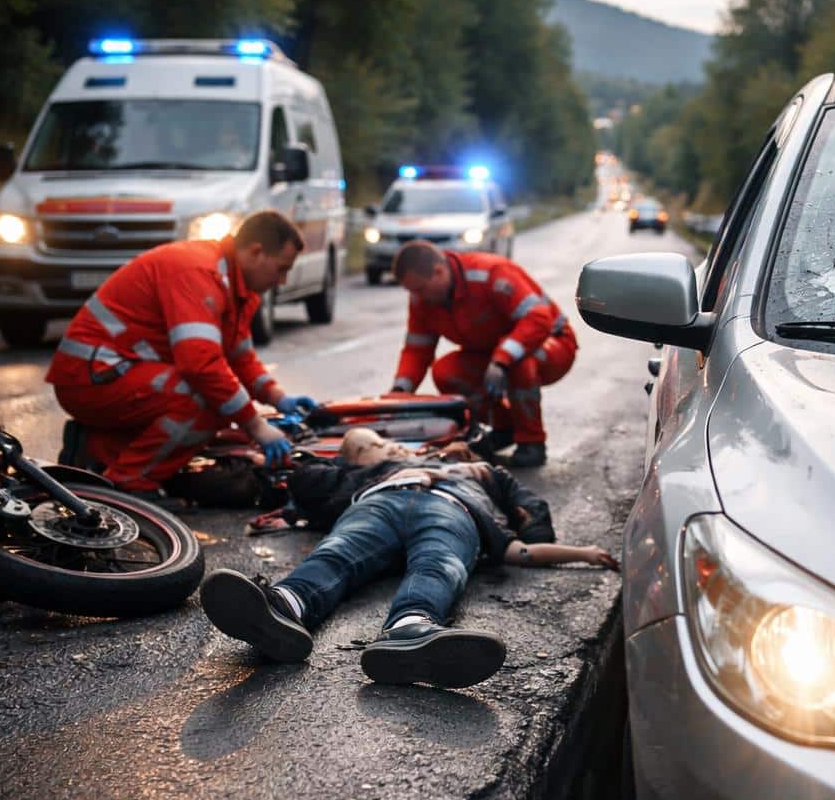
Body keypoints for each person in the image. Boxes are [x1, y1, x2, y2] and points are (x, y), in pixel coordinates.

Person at [199, 427, 617, 688]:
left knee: (439, 564)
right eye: (373, 446)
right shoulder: (364, 475)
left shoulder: (475, 472)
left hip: (452, 509)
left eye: (383, 441)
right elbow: (307, 485)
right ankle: (285, 606)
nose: (388, 446)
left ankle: (410, 630)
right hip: (378, 504)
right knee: (338, 551)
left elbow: (529, 529)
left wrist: (575, 551)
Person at [47, 210, 319, 496]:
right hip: (89, 377)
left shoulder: (236, 287)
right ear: (256, 252)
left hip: (106, 373)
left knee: (219, 398)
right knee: (207, 400)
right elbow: (201, 366)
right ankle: (130, 482)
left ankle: (96, 448)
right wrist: (256, 426)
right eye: (281, 269)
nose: (282, 281)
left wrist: (278, 397)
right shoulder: (200, 273)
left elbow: (239, 358)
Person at [389, 240, 577, 468]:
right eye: (411, 291)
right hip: (493, 354)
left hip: (550, 343)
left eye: (420, 289)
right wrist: (400, 393)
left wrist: (502, 359)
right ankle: (505, 427)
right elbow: (417, 349)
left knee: (518, 362)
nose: (417, 296)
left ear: (438, 272)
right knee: (445, 372)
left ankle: (532, 442)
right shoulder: (423, 299)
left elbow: (538, 319)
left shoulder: (490, 274)